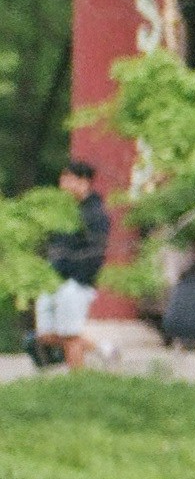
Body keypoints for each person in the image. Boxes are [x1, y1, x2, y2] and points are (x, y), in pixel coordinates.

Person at [29, 158, 110, 370]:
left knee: (70, 335)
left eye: (68, 179)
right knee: (45, 334)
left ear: (83, 182)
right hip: (52, 279)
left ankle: (78, 383)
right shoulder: (61, 211)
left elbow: (95, 253)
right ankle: (102, 348)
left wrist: (76, 276)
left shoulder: (95, 213)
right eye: (62, 179)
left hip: (75, 282)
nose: (63, 184)